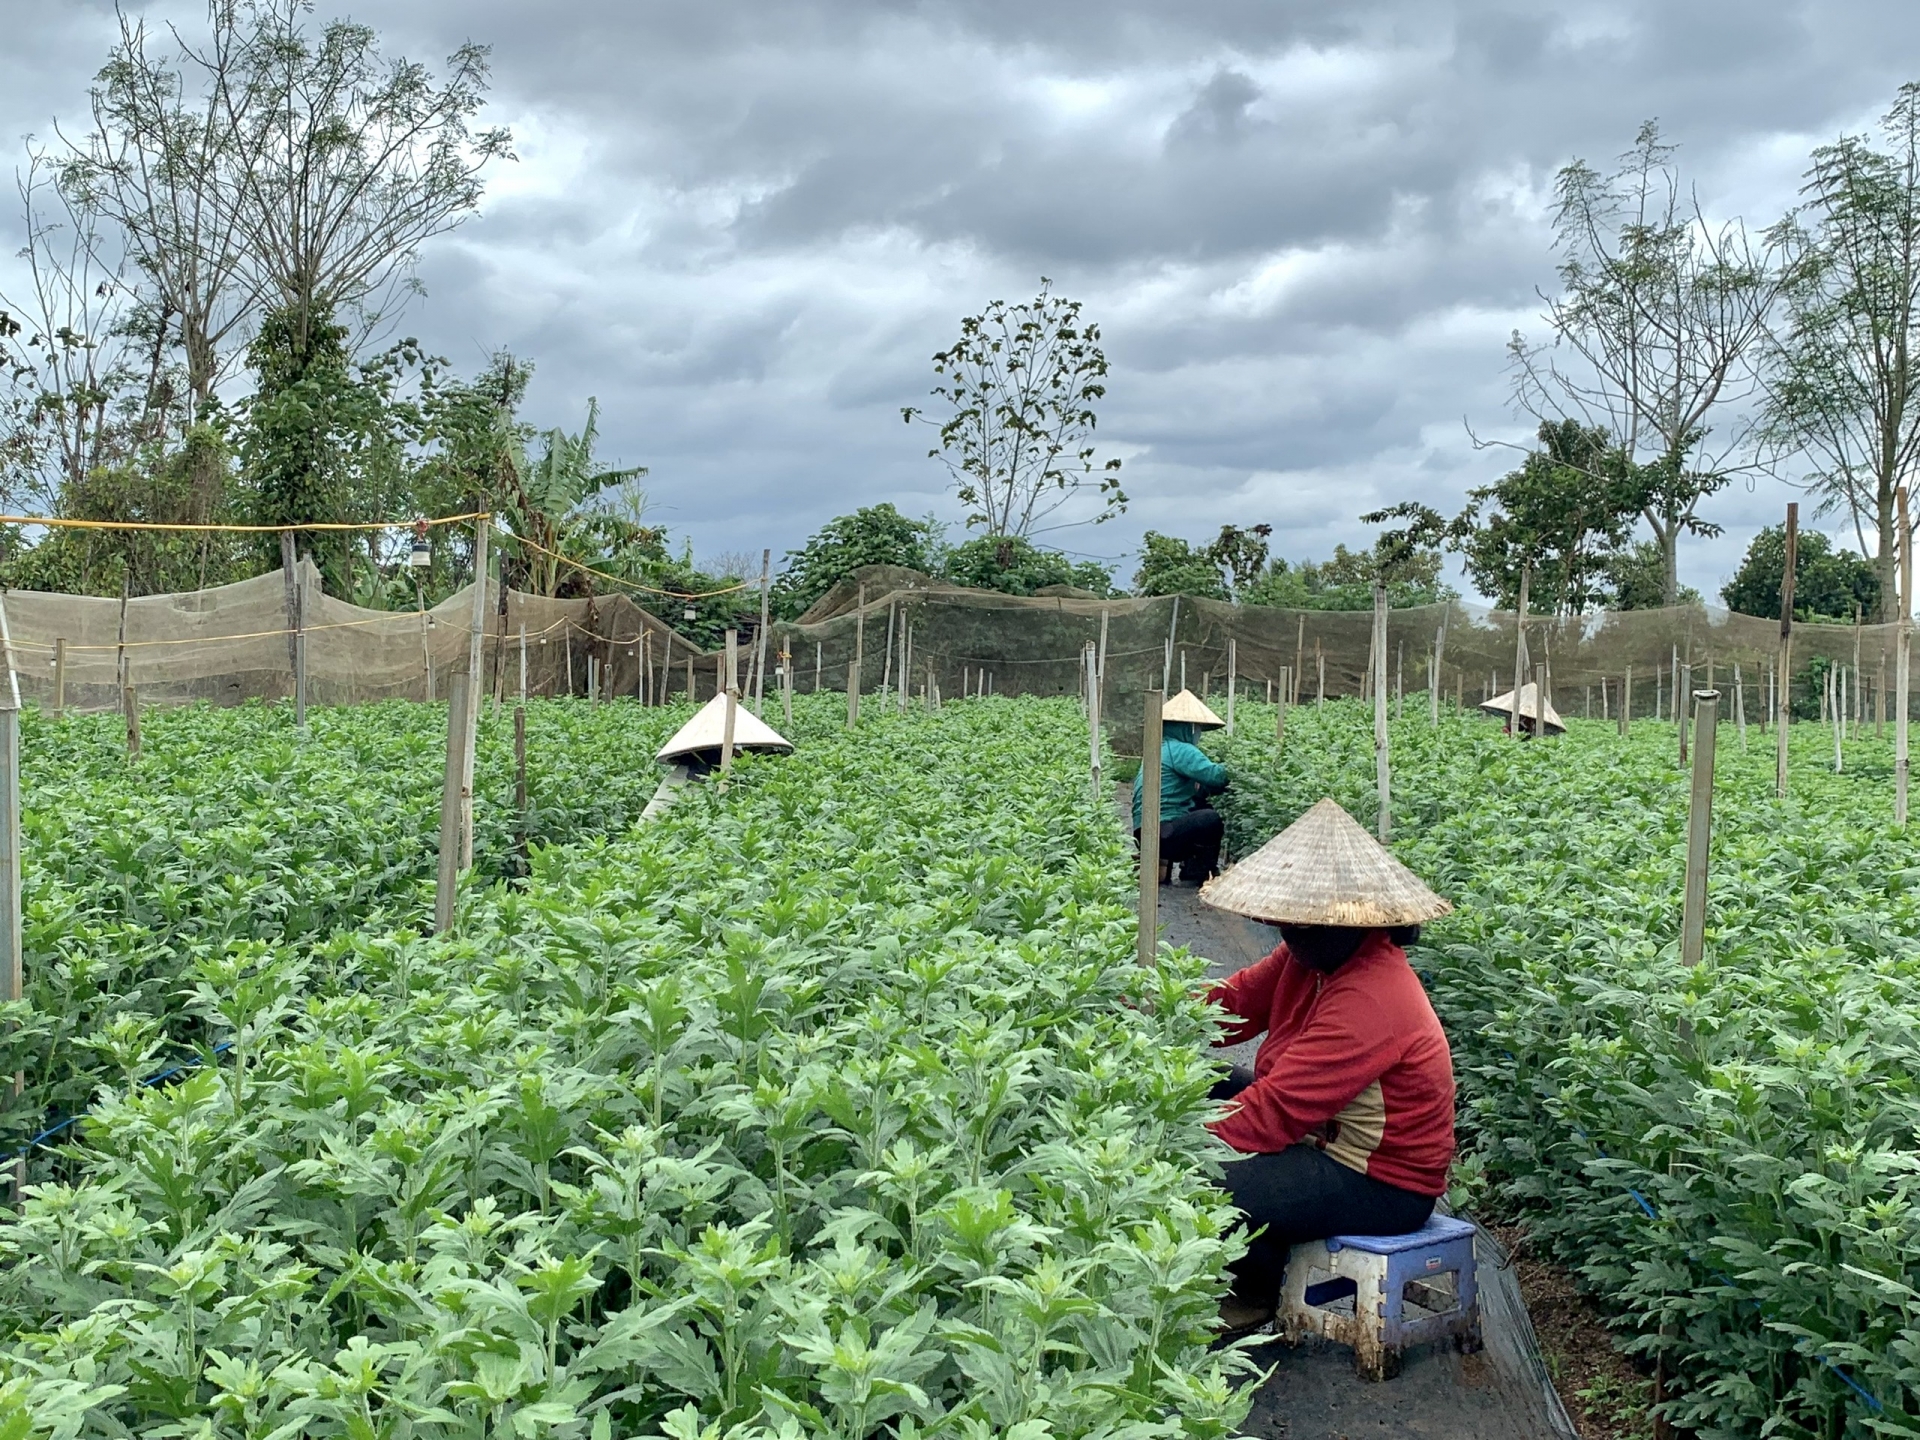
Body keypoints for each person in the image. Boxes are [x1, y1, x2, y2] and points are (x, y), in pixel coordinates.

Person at [1195, 798, 1457, 1336]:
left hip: (1381, 1179)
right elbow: (1233, 1004)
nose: (1290, 933)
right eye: (1289, 923)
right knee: (1203, 1079)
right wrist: (1148, 1004)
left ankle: (1255, 1289)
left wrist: (1167, 1139)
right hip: (1323, 1136)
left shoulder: (1373, 997)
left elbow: (1272, 1115)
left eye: (1305, 924)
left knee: (1214, 1186)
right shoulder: (1309, 956)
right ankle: (1258, 1262)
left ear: (1357, 922)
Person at [1131, 689, 1230, 885]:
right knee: (1210, 819)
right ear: (1188, 728)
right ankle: (1195, 873)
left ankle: (1166, 869)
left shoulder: (1158, 747)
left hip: (1145, 830)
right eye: (1197, 728)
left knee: (1201, 802)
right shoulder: (1181, 750)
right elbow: (1215, 775)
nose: (1198, 733)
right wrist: (1236, 767)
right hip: (1163, 831)